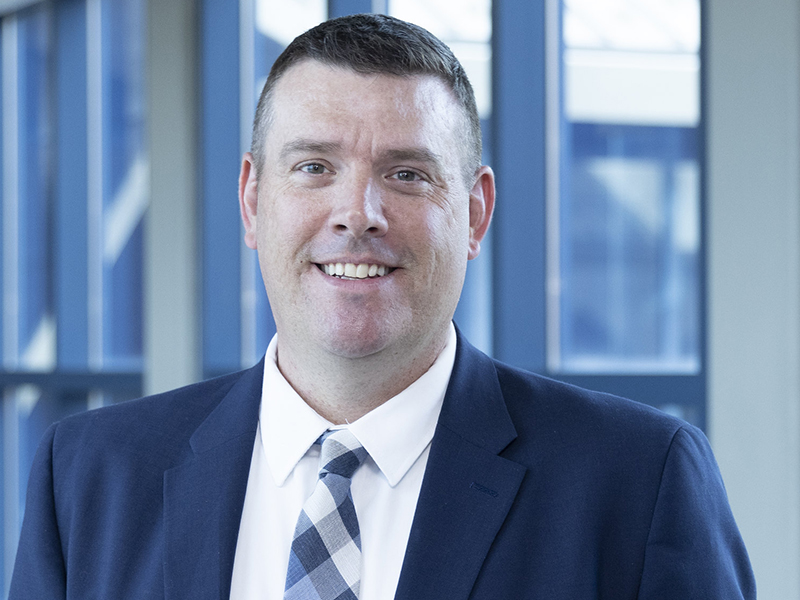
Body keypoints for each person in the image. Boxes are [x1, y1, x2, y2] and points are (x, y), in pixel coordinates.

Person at [9, 13, 754, 600]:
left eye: (406, 174)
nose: (357, 214)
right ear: (252, 200)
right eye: (314, 167)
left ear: (474, 213)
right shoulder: (90, 476)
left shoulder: (637, 481)